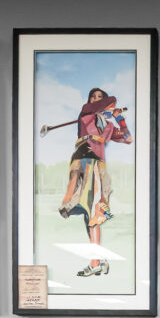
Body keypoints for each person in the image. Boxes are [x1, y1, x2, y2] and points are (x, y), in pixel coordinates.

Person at [57, 87, 132, 276]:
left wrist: (119, 119)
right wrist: (109, 106)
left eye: (100, 97)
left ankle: (96, 262)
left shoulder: (108, 126)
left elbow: (128, 138)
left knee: (92, 215)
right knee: (75, 207)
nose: (96, 99)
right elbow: (110, 99)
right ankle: (99, 260)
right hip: (80, 160)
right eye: (93, 96)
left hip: (96, 165)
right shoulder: (86, 112)